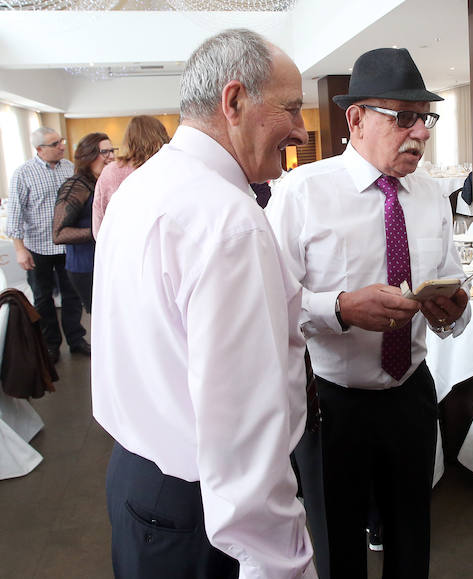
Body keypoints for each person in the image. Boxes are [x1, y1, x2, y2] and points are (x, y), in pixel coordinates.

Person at [91, 28, 316, 578]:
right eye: (291, 110)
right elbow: (242, 434)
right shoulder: (226, 221)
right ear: (234, 101)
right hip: (200, 509)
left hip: (135, 480)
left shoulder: (141, 186)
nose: (302, 131)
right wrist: (285, 567)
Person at [267, 47, 471, 579]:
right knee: (338, 545)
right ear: (355, 119)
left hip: (411, 393)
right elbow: (268, 305)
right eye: (403, 117)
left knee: (412, 535)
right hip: (332, 403)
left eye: (425, 118)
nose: (421, 133)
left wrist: (452, 311)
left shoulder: (431, 195)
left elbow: (449, 286)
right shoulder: (300, 193)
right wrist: (339, 308)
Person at [6, 127, 89, 364]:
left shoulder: (70, 168)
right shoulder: (23, 173)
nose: (62, 146)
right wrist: (20, 249)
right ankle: (51, 345)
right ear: (39, 149)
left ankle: (76, 339)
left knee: (72, 296)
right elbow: (15, 213)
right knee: (43, 298)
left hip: (67, 246)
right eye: (55, 144)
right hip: (38, 247)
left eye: (61, 141)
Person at [52, 132, 114, 313]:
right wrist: (100, 230)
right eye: (105, 152)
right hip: (86, 266)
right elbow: (58, 233)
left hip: (102, 262)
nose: (111, 157)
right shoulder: (75, 186)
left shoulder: (100, 181)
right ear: (89, 156)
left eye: (112, 151)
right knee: (101, 317)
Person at [92, 115, 169, 237]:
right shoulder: (169, 167)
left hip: (121, 243)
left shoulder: (111, 171)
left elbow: (99, 220)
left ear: (127, 139)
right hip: (161, 241)